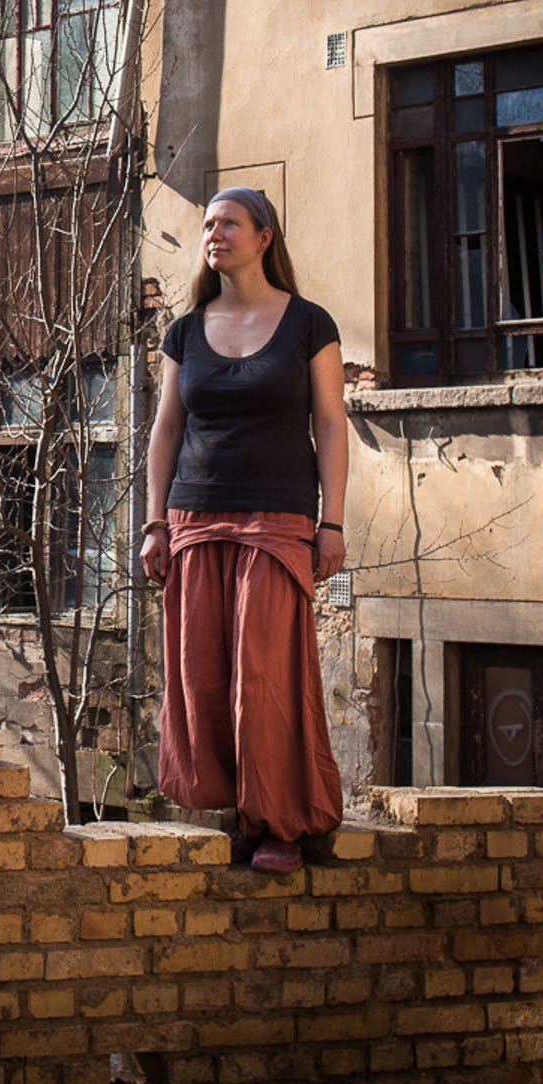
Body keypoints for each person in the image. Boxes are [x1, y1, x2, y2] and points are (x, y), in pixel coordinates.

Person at [140, 187, 347, 873]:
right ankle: (235, 814)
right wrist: (152, 524)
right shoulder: (184, 330)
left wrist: (332, 522)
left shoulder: (308, 324)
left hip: (277, 515)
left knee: (264, 678)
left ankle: (280, 822)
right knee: (203, 674)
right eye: (206, 224)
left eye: (228, 222)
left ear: (263, 237)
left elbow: (329, 424)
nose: (213, 233)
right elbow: (165, 428)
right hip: (194, 516)